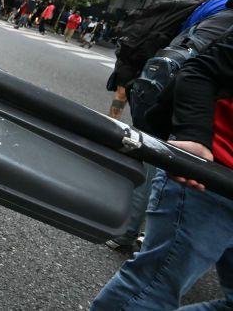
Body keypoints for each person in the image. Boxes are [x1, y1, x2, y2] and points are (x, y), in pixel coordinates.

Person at [92, 29, 233, 309]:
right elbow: (201, 70)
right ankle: (127, 232)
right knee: (152, 288)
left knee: (153, 288)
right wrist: (193, 135)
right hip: (213, 173)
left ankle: (127, 232)